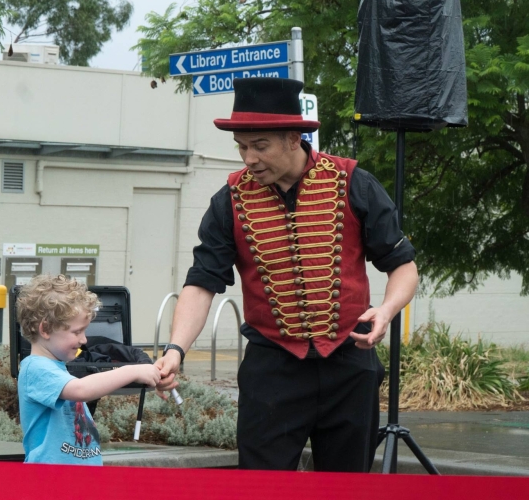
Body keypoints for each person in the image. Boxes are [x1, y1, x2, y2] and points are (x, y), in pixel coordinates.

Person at [154, 77, 418, 472]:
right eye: (242, 147)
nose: (249, 159)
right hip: (272, 369)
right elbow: (203, 280)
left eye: (260, 146)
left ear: (294, 138)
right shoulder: (228, 202)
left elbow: (403, 265)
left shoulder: (353, 183)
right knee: (261, 489)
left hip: (349, 364)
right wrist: (176, 349)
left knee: (347, 490)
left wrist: (387, 309)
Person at [16, 274, 161, 465]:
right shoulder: (35, 368)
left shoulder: (58, 368)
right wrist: (133, 370)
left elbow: (97, 386)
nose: (84, 340)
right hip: (51, 482)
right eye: (76, 332)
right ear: (45, 329)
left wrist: (150, 379)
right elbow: (81, 390)